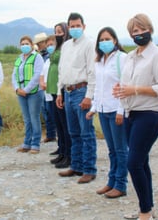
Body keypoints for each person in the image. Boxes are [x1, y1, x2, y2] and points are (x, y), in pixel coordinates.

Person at [112, 13, 158, 220]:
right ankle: (147, 207)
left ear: (150, 29)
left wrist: (135, 89)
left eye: (141, 29)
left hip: (151, 113)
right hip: (132, 113)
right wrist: (121, 91)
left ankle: (145, 212)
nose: (138, 34)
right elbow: (126, 84)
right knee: (141, 161)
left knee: (133, 162)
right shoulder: (130, 56)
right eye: (134, 32)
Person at [86, 27, 128, 198]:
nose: (104, 42)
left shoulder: (122, 59)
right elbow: (98, 87)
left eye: (107, 39)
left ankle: (120, 184)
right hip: (103, 110)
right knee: (111, 150)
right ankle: (111, 182)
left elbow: (125, 85)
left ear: (115, 40)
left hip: (116, 110)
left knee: (121, 150)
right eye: (101, 40)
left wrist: (121, 110)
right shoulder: (98, 61)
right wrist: (93, 108)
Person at [56, 12, 97, 184]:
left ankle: (89, 169)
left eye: (77, 25)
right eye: (71, 26)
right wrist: (59, 92)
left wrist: (89, 96)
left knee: (86, 132)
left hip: (82, 90)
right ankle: (76, 165)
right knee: (73, 132)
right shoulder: (66, 46)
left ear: (84, 26)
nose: (74, 29)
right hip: (68, 91)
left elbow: (92, 71)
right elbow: (61, 70)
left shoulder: (89, 44)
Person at [46, 23, 72, 168]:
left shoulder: (66, 47)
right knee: (59, 123)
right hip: (53, 88)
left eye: (60, 31)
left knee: (64, 123)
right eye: (56, 31)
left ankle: (68, 154)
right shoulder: (58, 46)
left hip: (61, 88)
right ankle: (62, 150)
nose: (58, 34)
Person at [12, 35, 44, 154]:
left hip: (34, 92)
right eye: (22, 44)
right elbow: (14, 75)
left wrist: (26, 89)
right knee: (27, 119)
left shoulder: (37, 57)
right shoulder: (19, 59)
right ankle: (26, 143)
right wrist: (17, 89)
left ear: (31, 45)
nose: (24, 46)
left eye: (27, 43)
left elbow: (37, 75)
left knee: (34, 118)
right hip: (21, 93)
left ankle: (35, 144)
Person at [34, 32, 56, 143]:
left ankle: (53, 133)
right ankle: (50, 134)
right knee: (46, 110)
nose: (38, 46)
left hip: (51, 86)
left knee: (52, 111)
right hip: (43, 87)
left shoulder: (50, 56)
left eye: (39, 43)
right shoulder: (41, 56)